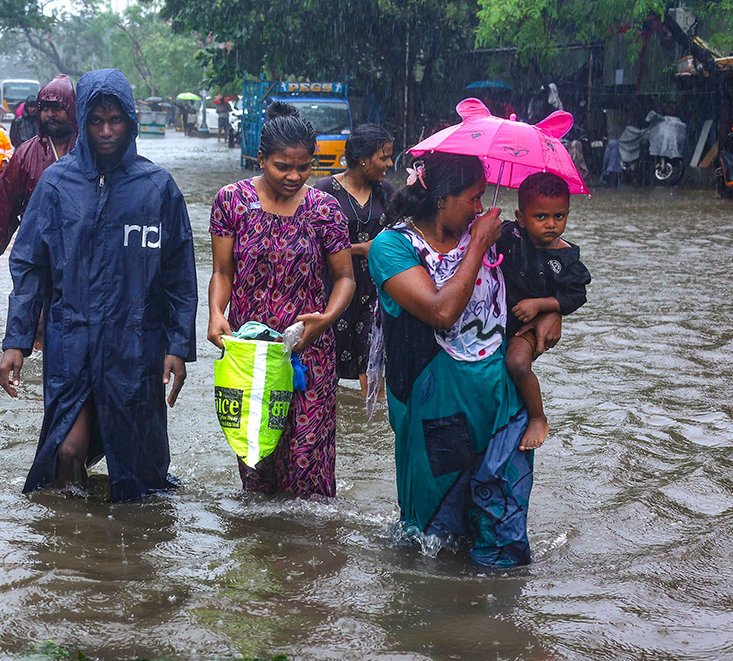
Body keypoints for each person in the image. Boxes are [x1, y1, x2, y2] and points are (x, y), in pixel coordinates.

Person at [0, 68, 197, 502]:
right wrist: (16, 340)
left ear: (131, 121)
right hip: (72, 341)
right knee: (67, 450)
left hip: (134, 346)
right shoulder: (56, 184)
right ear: (82, 121)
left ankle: (124, 557)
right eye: (96, 121)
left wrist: (177, 346)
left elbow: (180, 276)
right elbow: (29, 265)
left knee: (138, 475)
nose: (106, 132)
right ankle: (76, 554)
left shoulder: (158, 189)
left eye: (116, 120)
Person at [367, 151, 560, 568]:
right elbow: (441, 311)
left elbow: (552, 268)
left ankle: (499, 612)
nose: (479, 207)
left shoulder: (492, 234)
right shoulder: (393, 246)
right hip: (432, 403)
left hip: (498, 397)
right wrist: (477, 247)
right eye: (472, 198)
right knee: (432, 538)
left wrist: (553, 311)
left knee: (503, 519)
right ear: (441, 199)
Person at [208, 102, 356, 498]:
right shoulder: (232, 201)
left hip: (310, 349)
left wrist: (325, 318)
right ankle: (264, 548)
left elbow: (345, 278)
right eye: (282, 167)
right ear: (261, 159)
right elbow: (222, 272)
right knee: (256, 464)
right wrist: (215, 315)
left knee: (308, 463)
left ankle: (306, 552)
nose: (294, 176)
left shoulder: (325, 209)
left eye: (304, 167)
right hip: (249, 351)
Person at [498, 172, 590, 450]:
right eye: (541, 217)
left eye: (559, 217)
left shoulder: (566, 256)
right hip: (496, 320)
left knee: (516, 364)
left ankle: (538, 417)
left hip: (527, 328)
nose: (551, 225)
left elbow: (576, 294)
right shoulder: (508, 235)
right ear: (521, 217)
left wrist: (543, 305)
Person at [315, 124, 395, 391]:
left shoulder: (385, 191)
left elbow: (400, 238)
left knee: (373, 360)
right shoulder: (325, 190)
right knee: (327, 366)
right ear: (363, 159)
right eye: (384, 157)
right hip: (334, 290)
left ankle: (372, 430)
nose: (390, 163)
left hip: (375, 292)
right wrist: (362, 249)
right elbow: (313, 247)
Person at [0, 75, 76, 294]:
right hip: (36, 252)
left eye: (57, 108)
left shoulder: (90, 151)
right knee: (33, 322)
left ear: (71, 109)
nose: (49, 114)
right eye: (45, 108)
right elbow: (4, 210)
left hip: (79, 255)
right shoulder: (25, 155)